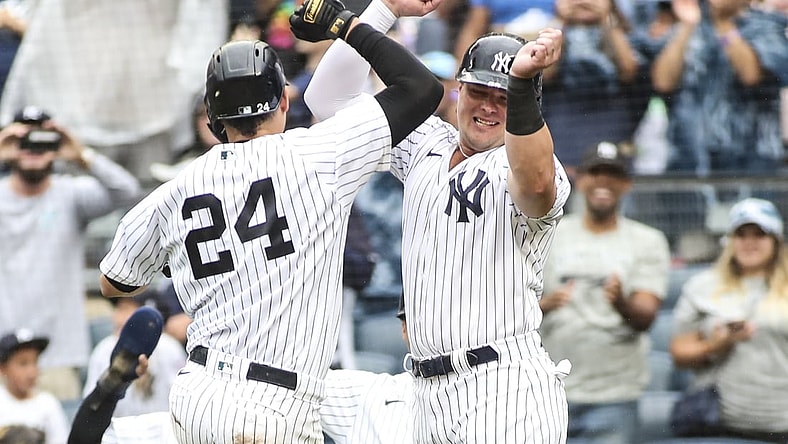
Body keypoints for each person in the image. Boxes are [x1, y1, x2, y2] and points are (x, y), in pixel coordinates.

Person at [97, 0, 443, 441]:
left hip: (197, 391)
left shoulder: (174, 189)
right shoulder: (320, 154)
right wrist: (355, 21)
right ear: (282, 99)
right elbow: (420, 88)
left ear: (214, 115)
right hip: (272, 403)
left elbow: (114, 281)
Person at [305, 0, 570, 441]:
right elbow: (327, 100)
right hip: (426, 392)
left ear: (524, 104)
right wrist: (385, 9)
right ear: (458, 90)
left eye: (503, 99)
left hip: (503, 387)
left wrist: (522, 83)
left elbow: (538, 183)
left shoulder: (524, 165)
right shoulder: (425, 141)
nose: (488, 107)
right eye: (480, 92)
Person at [0, 106, 141, 401]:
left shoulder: (70, 194)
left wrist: (81, 155)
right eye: (24, 138)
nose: (34, 149)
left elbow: (128, 192)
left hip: (58, 358)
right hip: (2, 358)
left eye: (43, 139)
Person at [539, 141, 671, 443]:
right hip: (551, 390)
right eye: (595, 172)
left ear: (626, 184)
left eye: (612, 174)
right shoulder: (549, 233)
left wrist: (621, 303)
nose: (603, 181)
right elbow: (514, 307)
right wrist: (545, 305)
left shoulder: (648, 240)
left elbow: (646, 317)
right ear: (581, 180)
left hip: (614, 395)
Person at [669, 197, 788, 442]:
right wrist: (716, 345)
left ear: (776, 241)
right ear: (730, 241)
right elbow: (679, 353)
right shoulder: (702, 286)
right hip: (721, 422)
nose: (750, 243)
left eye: (760, 234)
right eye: (741, 234)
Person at [651, 0, 788, 175]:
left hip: (750, 158)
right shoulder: (692, 26)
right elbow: (663, 82)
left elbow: (749, 74)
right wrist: (687, 26)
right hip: (690, 157)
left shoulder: (764, 25)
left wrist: (723, 25)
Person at [82, 289, 186, 418]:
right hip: (118, 433)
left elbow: (182, 402)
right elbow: (91, 407)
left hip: (162, 431)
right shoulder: (104, 349)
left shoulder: (168, 347)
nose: (119, 317)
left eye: (126, 309)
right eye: (118, 309)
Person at [0, 329, 69, 444]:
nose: (31, 372)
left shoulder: (48, 403)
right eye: (23, 364)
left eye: (35, 362)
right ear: (2, 368)